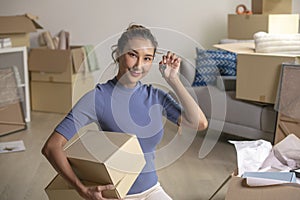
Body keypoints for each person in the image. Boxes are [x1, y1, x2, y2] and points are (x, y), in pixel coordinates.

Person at [42, 24, 208, 200]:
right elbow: (51, 147)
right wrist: (81, 189)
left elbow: (200, 123)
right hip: (116, 195)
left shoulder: (155, 96)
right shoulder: (98, 98)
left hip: (152, 190)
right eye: (132, 55)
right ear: (119, 53)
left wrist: (173, 80)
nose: (139, 65)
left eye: (147, 58)